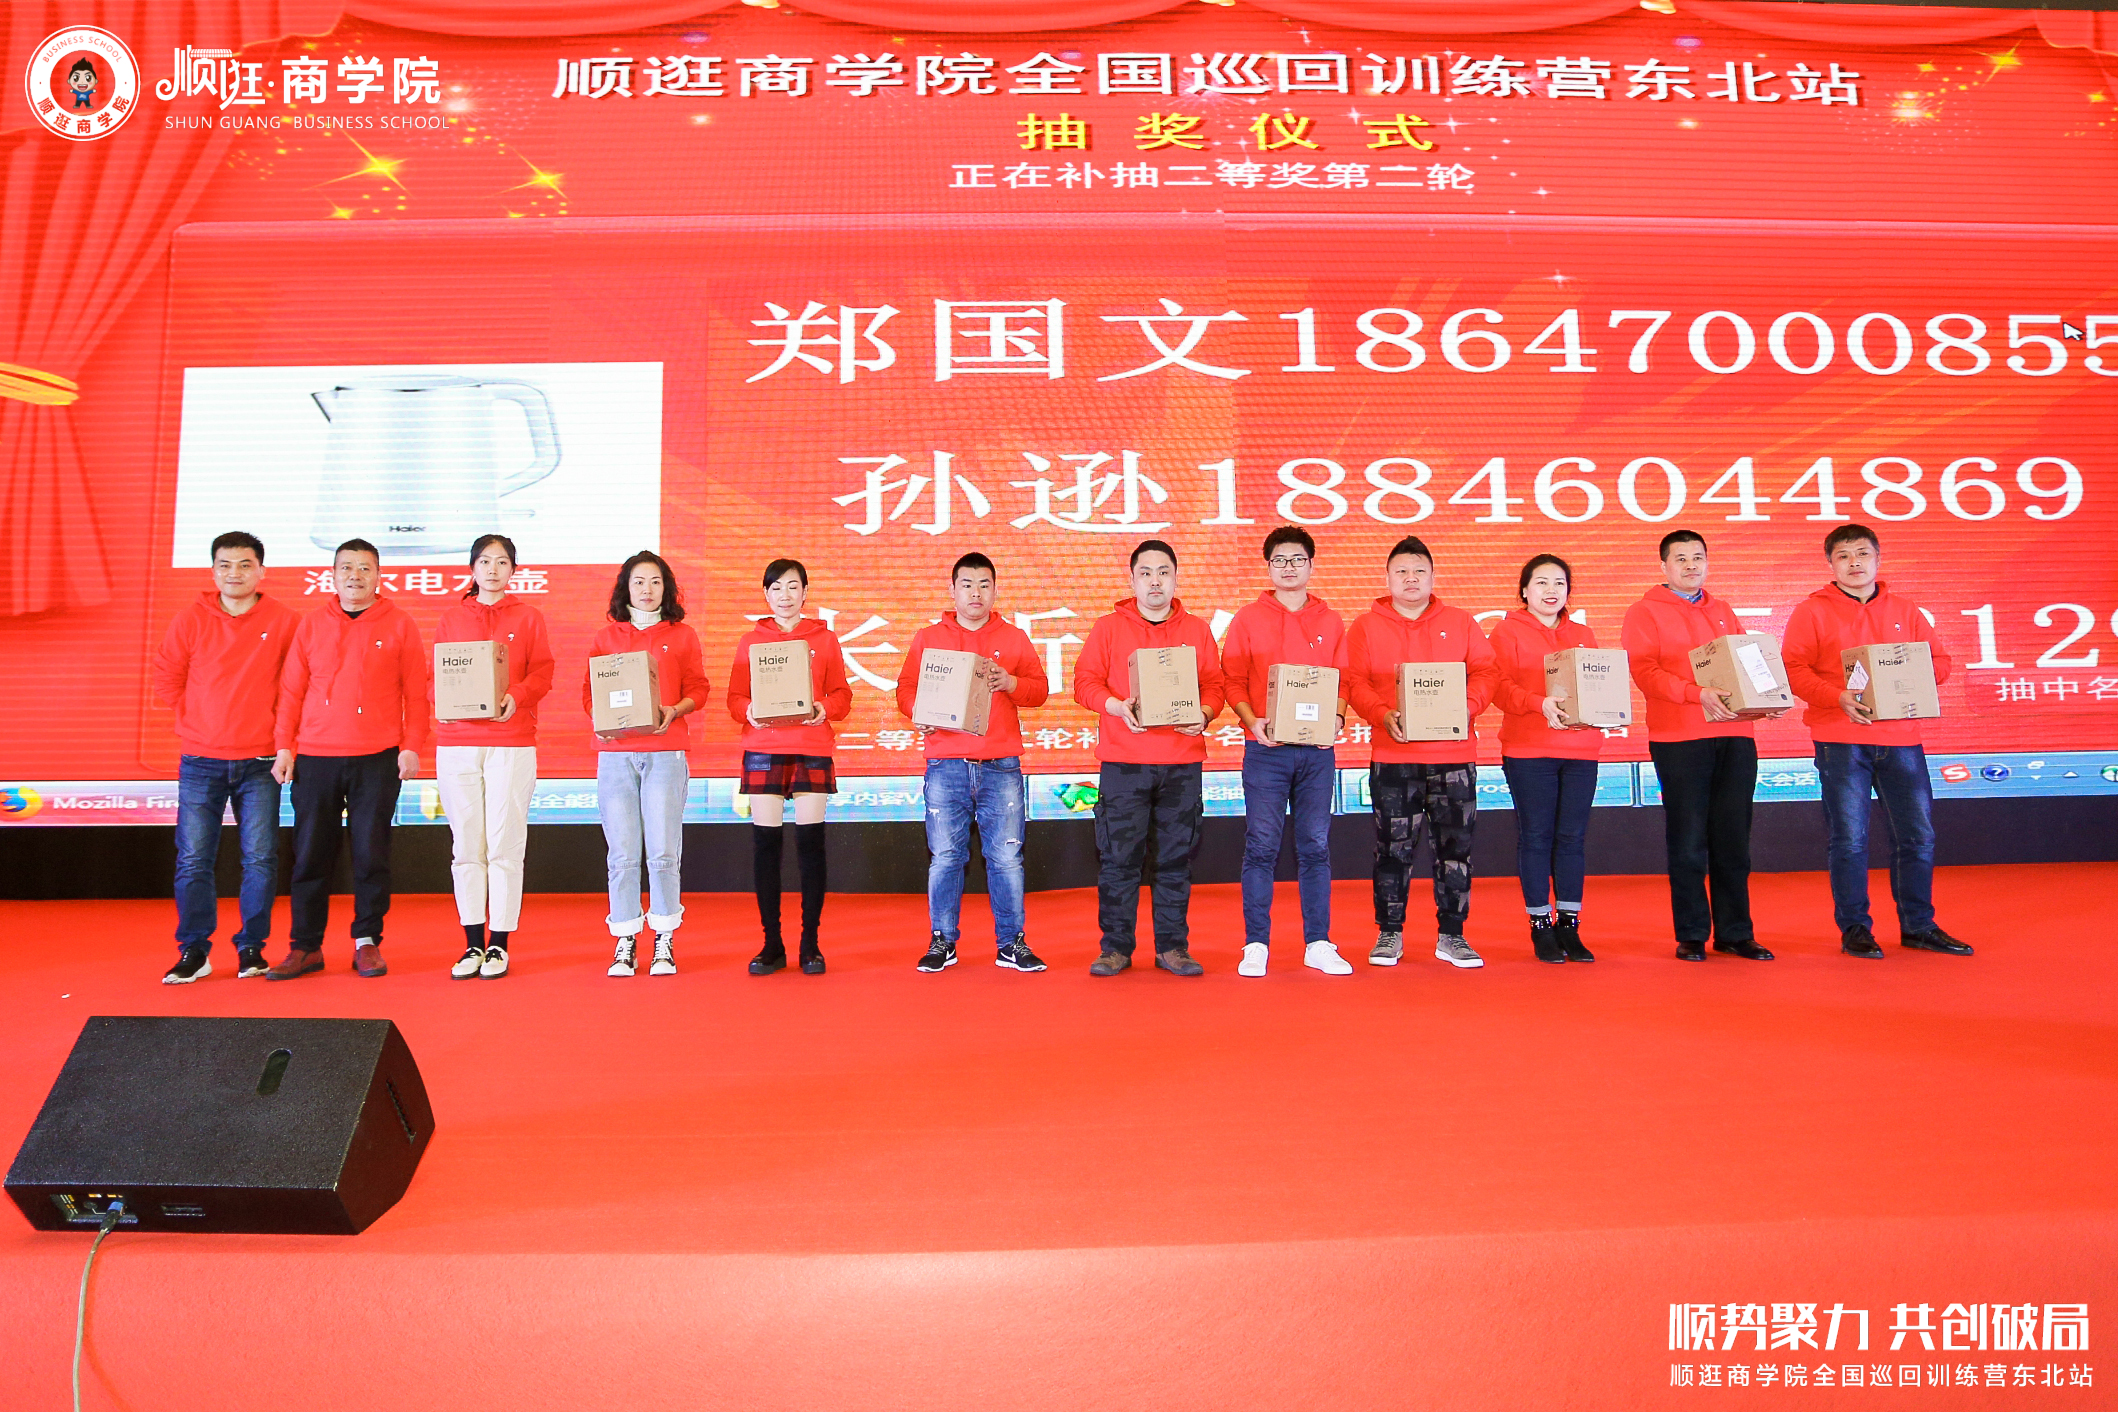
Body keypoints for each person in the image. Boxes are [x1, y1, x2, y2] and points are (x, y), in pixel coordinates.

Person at [1782, 523, 1972, 959]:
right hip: (1840, 738)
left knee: (1918, 836)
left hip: (1902, 738)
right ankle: (1855, 929)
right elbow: (1794, 669)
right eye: (1844, 556)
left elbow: (1941, 662)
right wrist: (1836, 697)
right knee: (1849, 840)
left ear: (1878, 559)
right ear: (1830, 564)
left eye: (1863, 554)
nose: (1855, 563)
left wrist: (1910, 676)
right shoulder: (1811, 612)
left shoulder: (1906, 609)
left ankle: (1919, 926)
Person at [266, 539, 427, 980]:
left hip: (377, 756)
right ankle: (305, 946)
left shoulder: (400, 624)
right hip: (316, 757)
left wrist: (412, 744)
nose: (355, 576)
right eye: (346, 568)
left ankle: (367, 942)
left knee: (371, 854)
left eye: (364, 568)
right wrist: (284, 746)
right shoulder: (312, 624)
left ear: (379, 575)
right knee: (309, 855)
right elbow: (291, 690)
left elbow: (417, 692)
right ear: (333, 575)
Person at [1621, 529, 1781, 963]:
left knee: (1734, 839)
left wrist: (1766, 698)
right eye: (1681, 558)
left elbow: (1748, 662)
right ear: (1664, 566)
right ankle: (1691, 933)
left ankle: (1736, 932)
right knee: (1689, 839)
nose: (1691, 565)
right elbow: (1645, 672)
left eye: (1698, 557)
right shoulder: (1644, 611)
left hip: (1735, 735)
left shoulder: (1723, 609)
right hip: (1680, 737)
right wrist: (1696, 694)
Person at [1071, 539, 1226, 977]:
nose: (1154, 581)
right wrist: (1117, 706)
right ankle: (1115, 948)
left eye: (1163, 572)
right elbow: (1084, 683)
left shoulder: (1196, 629)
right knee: (1118, 859)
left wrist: (1205, 714)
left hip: (1181, 762)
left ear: (1175, 578)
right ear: (1132, 580)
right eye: (1145, 573)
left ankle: (1173, 947)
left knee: (1175, 859)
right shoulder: (1108, 628)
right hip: (1124, 762)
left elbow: (1215, 685)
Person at [151, 531, 300, 983]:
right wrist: (199, 717)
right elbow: (167, 676)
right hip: (201, 759)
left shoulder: (285, 621)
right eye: (225, 565)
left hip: (261, 762)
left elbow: (295, 687)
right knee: (193, 858)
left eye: (244, 564)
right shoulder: (190, 619)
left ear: (262, 571)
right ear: (213, 570)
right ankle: (194, 950)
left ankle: (252, 947)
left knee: (260, 859)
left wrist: (283, 743)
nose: (234, 573)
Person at [1345, 536, 1499, 970]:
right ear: (1387, 578)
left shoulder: (1460, 622)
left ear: (1432, 577)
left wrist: (1467, 706)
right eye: (1402, 572)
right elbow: (1353, 681)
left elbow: (1487, 672)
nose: (1410, 579)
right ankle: (1389, 932)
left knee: (1456, 849)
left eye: (1419, 571)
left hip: (1454, 757)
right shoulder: (1365, 627)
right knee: (1392, 850)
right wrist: (1381, 714)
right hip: (1394, 757)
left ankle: (1453, 935)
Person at [894, 552, 1051, 974]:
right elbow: (905, 688)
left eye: (984, 584)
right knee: (946, 857)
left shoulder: (1014, 638)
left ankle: (1011, 943)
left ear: (995, 590)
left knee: (1006, 859)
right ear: (952, 590)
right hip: (946, 764)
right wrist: (917, 712)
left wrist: (1011, 682)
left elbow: (1039, 690)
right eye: (967, 584)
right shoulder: (929, 637)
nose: (976, 592)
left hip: (1001, 764)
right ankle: (942, 940)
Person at [1220, 525, 1351, 978]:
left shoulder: (1331, 621)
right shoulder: (1247, 619)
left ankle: (1318, 942)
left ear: (1311, 565)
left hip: (1316, 752)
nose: (1289, 567)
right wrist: (1252, 722)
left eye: (1297, 559)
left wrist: (1336, 720)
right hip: (1266, 750)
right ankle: (1256, 943)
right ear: (1268, 567)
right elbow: (1233, 680)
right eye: (1280, 560)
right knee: (1261, 846)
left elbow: (1344, 680)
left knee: (1315, 845)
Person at [432, 535, 554, 981]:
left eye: (502, 562)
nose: (493, 570)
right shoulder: (451, 618)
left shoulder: (528, 617)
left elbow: (543, 671)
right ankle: (471, 943)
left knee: (505, 843)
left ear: (513, 570)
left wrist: (516, 696)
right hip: (457, 742)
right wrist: (443, 701)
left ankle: (499, 942)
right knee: (467, 846)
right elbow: (435, 676)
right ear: (472, 568)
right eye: (485, 561)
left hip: (511, 740)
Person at [727, 558, 853, 976]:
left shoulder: (825, 639)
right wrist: (749, 710)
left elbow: (842, 695)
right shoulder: (750, 641)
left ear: (805, 592)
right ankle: (772, 944)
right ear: (766, 594)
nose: (785, 595)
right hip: (764, 747)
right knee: (766, 847)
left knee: (810, 846)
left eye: (793, 587)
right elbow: (734, 699)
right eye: (777, 588)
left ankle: (810, 944)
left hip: (810, 746)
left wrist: (823, 708)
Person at [586, 550, 708, 978]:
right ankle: (624, 939)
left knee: (662, 850)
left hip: (665, 752)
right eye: (638, 581)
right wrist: (600, 721)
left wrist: (675, 710)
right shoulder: (606, 637)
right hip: (615, 756)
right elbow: (589, 692)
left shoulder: (683, 635)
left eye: (655, 581)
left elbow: (699, 688)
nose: (647, 589)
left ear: (666, 588)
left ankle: (664, 938)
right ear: (626, 587)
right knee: (621, 853)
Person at [1489, 554, 1603, 964]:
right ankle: (1540, 924)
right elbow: (1498, 687)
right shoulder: (1506, 632)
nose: (1551, 590)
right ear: (1524, 590)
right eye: (1541, 582)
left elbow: (1598, 685)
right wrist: (1538, 703)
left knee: (1572, 838)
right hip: (1529, 749)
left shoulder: (1583, 634)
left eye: (1559, 583)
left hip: (1581, 749)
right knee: (1536, 837)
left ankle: (1570, 925)